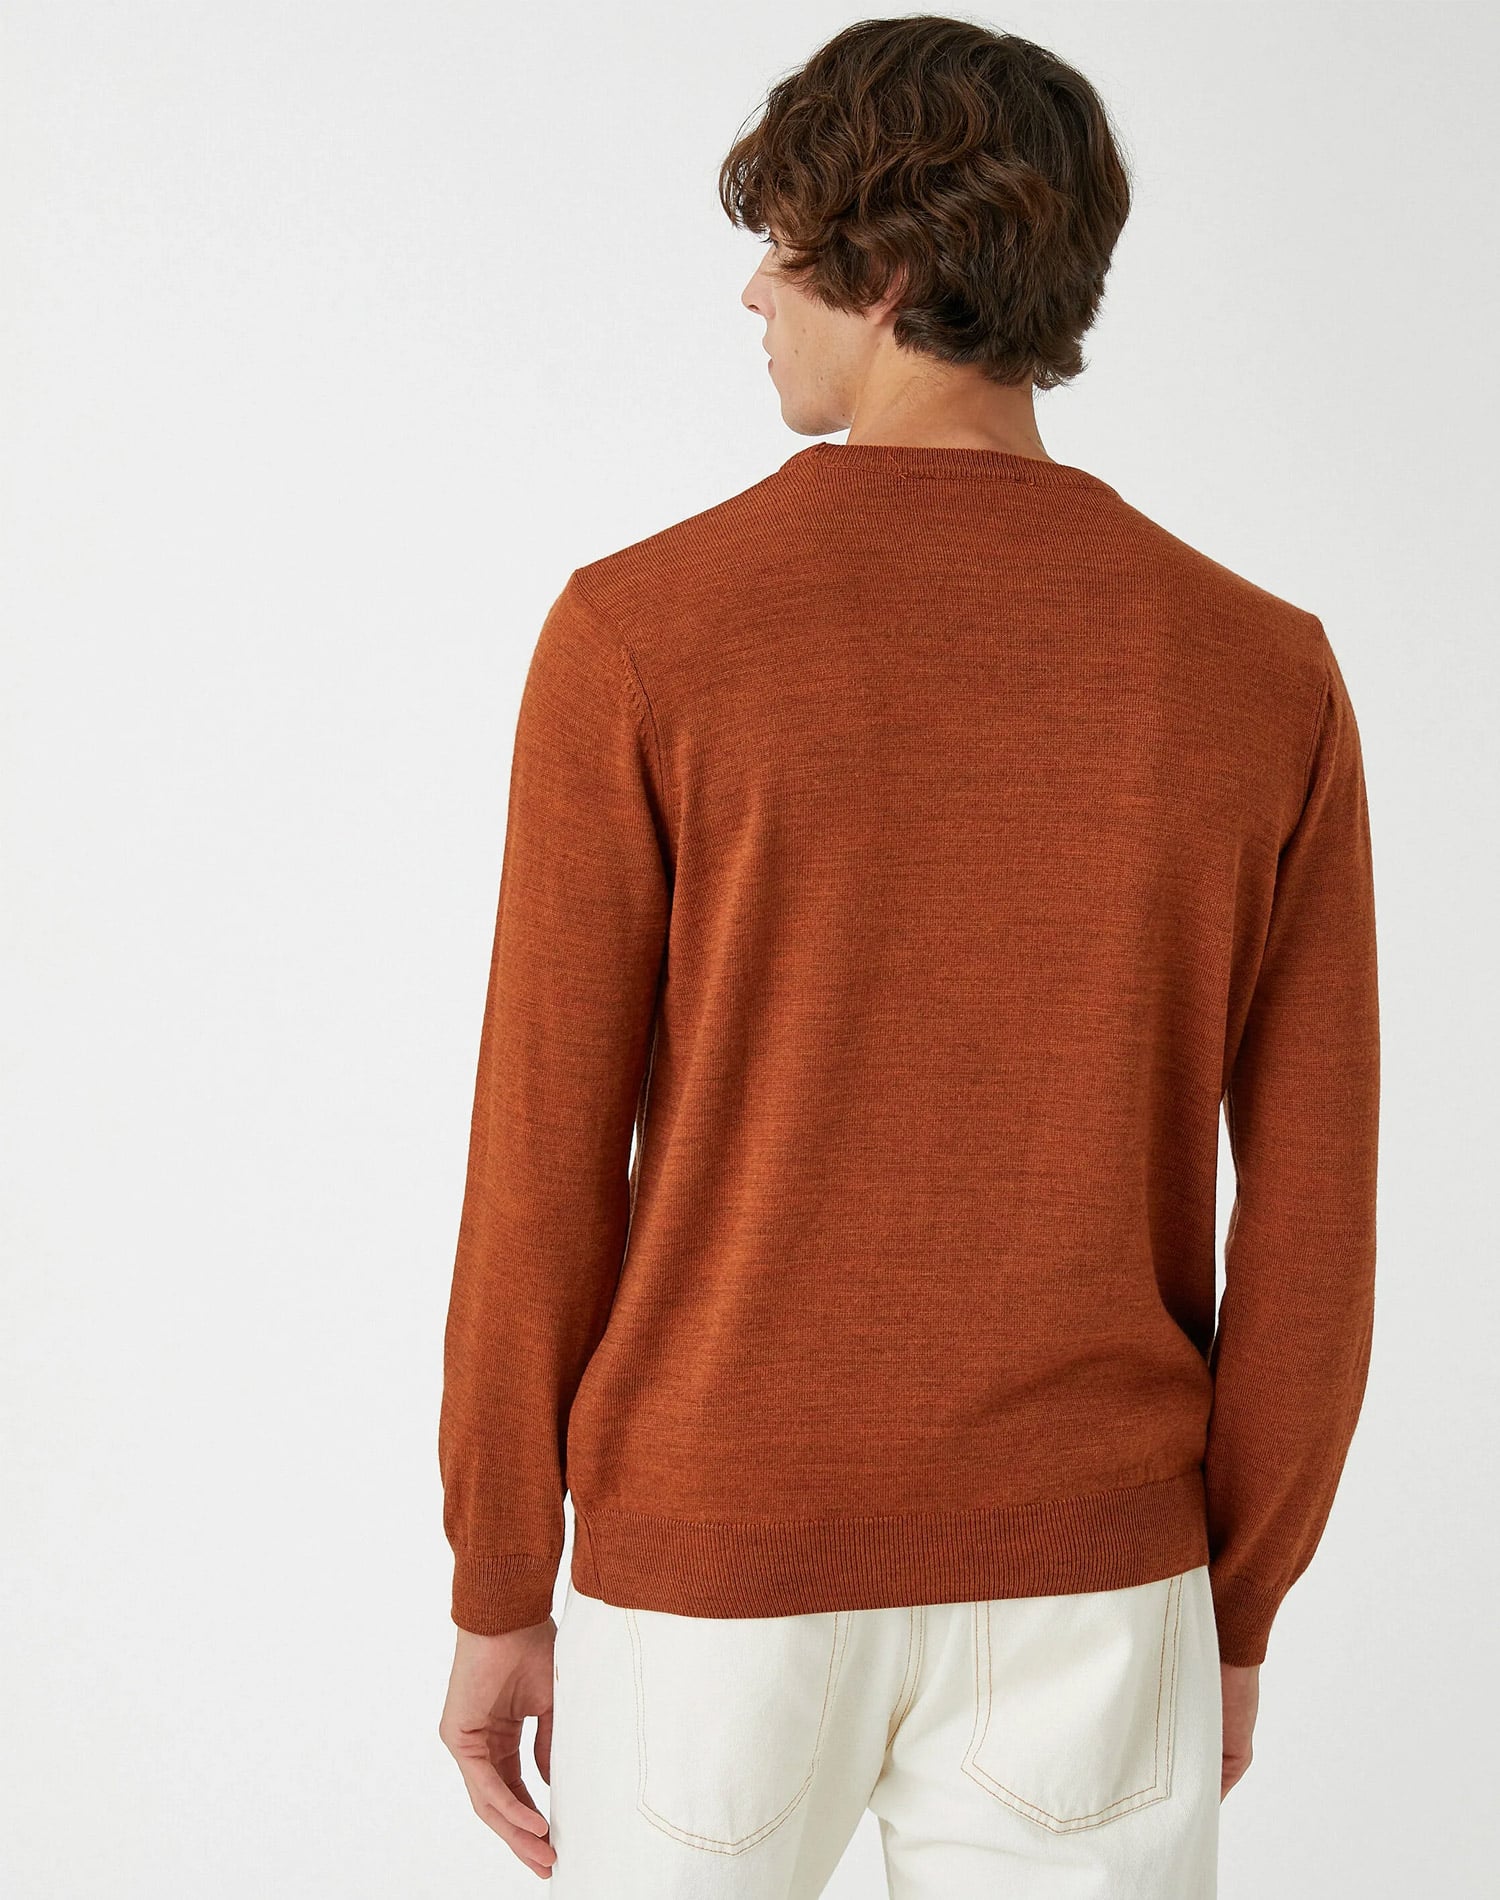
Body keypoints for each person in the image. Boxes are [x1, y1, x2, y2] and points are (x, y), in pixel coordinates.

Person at [437, 16, 1380, 1896]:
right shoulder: (1263, 670)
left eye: (780, 250)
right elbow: (1314, 1210)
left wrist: (498, 1578)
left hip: (713, 1576)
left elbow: (541, 1160)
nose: (752, 295)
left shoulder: (642, 637)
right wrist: (1234, 1601)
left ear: (881, 274)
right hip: (1093, 1578)